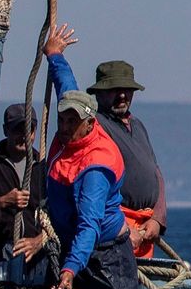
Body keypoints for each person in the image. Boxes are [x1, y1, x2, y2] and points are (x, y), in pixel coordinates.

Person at [44, 23, 169, 258]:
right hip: (116, 233)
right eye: (114, 89)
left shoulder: (138, 126)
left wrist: (157, 220)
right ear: (99, 93)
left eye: (127, 89)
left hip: (145, 234)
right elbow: (67, 90)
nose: (122, 95)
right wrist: (55, 55)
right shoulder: (93, 125)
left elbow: (155, 173)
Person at [18, 90, 139, 289]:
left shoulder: (95, 169)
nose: (64, 128)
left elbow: (89, 225)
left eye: (72, 122)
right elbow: (66, 83)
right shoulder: (70, 137)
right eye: (61, 120)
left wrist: (70, 269)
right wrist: (55, 58)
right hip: (71, 246)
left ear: (90, 124)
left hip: (106, 259)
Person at [0, 102, 49, 282]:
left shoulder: (44, 167)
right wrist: (3, 201)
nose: (24, 136)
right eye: (17, 130)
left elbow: (53, 212)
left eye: (29, 130)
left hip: (35, 253)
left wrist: (39, 241)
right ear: (6, 131)